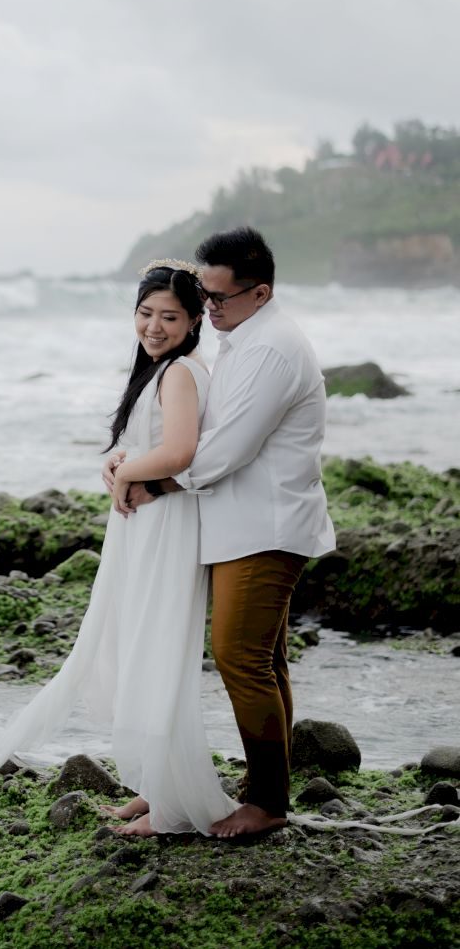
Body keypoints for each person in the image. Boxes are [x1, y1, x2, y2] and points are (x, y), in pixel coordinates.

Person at [0, 260, 240, 838]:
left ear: (194, 320)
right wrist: (118, 464)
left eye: (170, 317)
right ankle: (158, 786)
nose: (154, 327)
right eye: (145, 313)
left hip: (165, 526)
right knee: (139, 644)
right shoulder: (162, 370)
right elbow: (151, 446)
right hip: (145, 523)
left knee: (156, 648)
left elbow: (181, 452)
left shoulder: (181, 373)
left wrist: (127, 471)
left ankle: (173, 806)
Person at [107, 226, 335, 839]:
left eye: (218, 297)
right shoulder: (244, 338)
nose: (208, 307)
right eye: (204, 295)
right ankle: (264, 789)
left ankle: (267, 802)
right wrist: (132, 459)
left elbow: (227, 448)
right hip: (241, 521)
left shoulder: (270, 350)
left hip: (265, 525)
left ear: (260, 293)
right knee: (265, 659)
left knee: (240, 656)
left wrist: (155, 484)